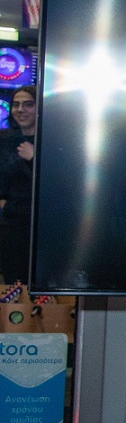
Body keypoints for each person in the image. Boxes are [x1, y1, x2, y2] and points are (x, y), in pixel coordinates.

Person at [0, 85, 37, 287]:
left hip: (43, 225)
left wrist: (34, 157)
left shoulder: (52, 140)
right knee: (14, 285)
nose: (20, 110)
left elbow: (61, 182)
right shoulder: (6, 141)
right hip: (13, 226)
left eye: (28, 104)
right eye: (16, 105)